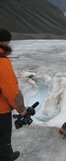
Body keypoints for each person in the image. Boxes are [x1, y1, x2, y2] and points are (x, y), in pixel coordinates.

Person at [0, 28, 29, 160]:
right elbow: (11, 90)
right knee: (3, 141)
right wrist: (22, 110)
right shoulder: (3, 62)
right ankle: (6, 156)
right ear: (4, 42)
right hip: (1, 111)